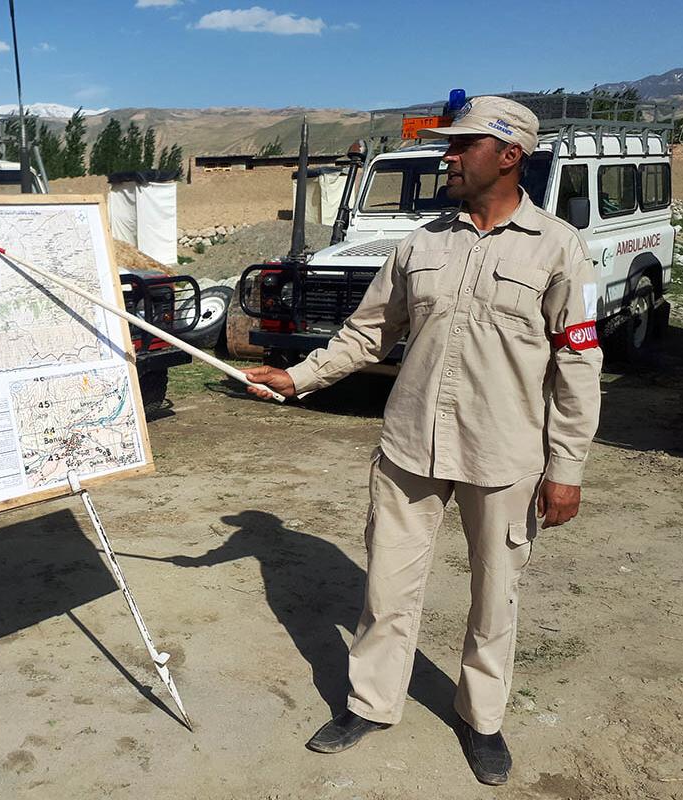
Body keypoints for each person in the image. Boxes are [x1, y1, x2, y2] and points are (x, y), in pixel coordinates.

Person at [242, 96, 602, 786]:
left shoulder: (560, 249)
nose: (449, 157)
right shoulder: (421, 244)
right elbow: (367, 333)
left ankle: (482, 719)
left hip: (506, 456)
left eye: (463, 146)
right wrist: (298, 378)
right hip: (411, 447)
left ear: (509, 155)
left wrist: (568, 467)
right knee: (387, 586)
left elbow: (579, 360)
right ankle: (372, 704)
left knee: (496, 597)